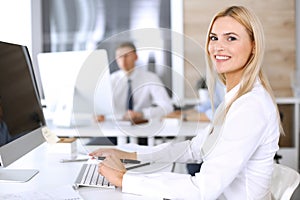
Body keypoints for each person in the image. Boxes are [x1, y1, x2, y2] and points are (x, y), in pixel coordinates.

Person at [90, 6, 282, 199]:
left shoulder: (250, 106)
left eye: (231, 38)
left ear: (254, 45)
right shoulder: (235, 98)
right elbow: (194, 148)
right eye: (214, 38)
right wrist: (131, 155)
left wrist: (125, 179)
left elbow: (203, 189)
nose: (217, 46)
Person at [110, 42, 174, 121]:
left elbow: (167, 107)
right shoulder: (110, 80)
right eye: (120, 56)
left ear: (136, 57)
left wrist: (143, 114)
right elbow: (100, 107)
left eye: (127, 56)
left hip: (143, 125)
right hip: (115, 126)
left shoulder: (150, 78)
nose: (123, 60)